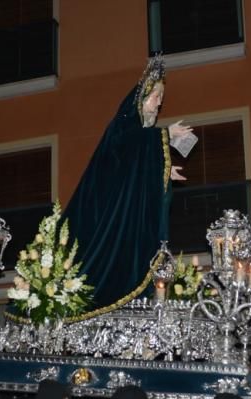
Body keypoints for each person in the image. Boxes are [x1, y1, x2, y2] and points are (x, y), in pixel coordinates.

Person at [59, 55, 193, 313]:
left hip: (129, 222)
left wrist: (163, 173)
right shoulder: (123, 125)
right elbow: (126, 149)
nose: (159, 104)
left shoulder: (141, 137)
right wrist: (165, 134)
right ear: (141, 99)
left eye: (161, 99)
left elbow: (135, 176)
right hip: (106, 220)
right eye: (155, 97)